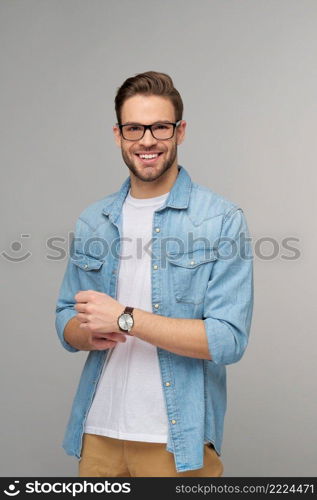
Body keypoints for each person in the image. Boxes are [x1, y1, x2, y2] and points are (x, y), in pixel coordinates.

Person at [55, 71, 254, 477]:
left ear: (180, 132)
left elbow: (228, 340)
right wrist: (84, 330)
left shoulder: (220, 220)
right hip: (98, 435)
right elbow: (65, 320)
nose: (147, 140)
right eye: (134, 128)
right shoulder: (95, 220)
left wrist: (125, 318)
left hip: (175, 440)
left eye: (160, 127)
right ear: (118, 135)